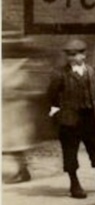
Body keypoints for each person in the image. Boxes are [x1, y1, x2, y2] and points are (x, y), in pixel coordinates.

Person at [48, 38, 95, 199]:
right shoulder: (60, 73)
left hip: (90, 116)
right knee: (70, 151)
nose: (73, 58)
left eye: (76, 55)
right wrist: (56, 114)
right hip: (70, 118)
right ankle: (74, 184)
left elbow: (94, 94)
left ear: (83, 55)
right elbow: (52, 95)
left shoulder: (89, 71)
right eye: (69, 55)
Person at [2, 34, 47, 184]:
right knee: (11, 144)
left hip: (16, 111)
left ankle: (21, 172)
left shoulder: (20, 66)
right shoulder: (10, 65)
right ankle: (22, 171)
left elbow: (34, 90)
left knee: (14, 144)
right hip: (9, 110)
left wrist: (16, 93)